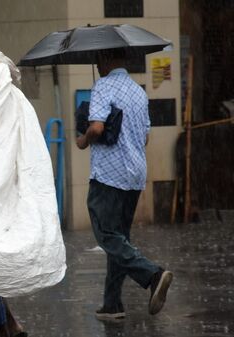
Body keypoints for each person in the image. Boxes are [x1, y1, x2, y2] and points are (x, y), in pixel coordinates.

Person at [76, 49, 173, 320]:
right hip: (134, 175)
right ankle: (112, 303)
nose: (97, 64)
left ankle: (153, 274)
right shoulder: (138, 92)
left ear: (106, 59)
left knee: (107, 235)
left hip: (108, 174)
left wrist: (82, 140)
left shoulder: (103, 86)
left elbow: (95, 128)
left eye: (98, 59)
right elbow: (144, 138)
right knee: (119, 238)